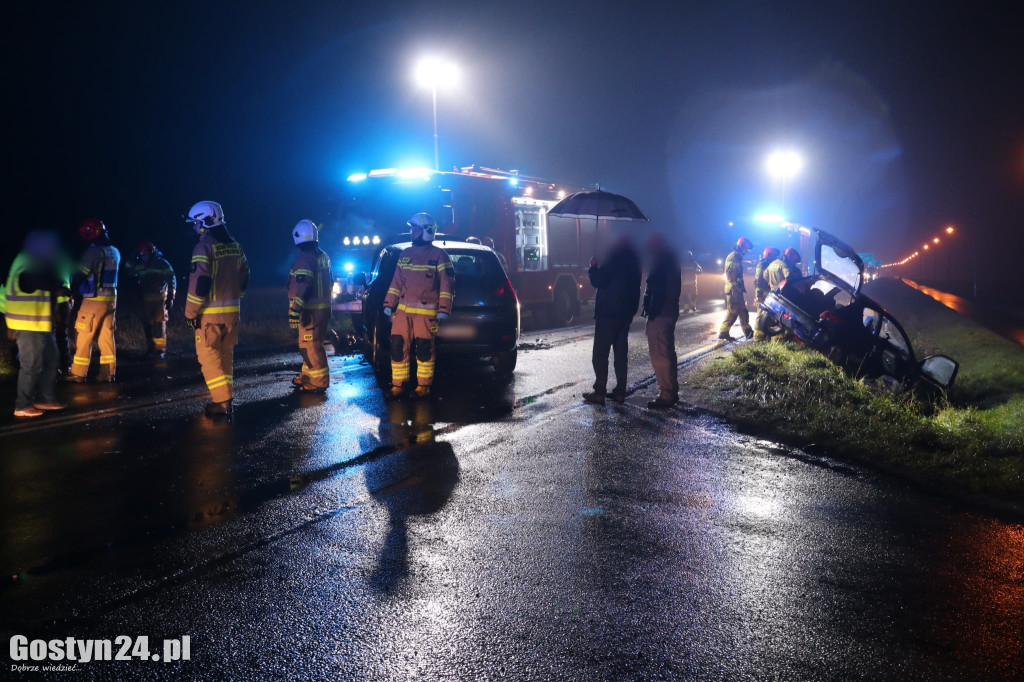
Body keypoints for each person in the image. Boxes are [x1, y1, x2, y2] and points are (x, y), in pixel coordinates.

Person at [184, 201, 249, 417]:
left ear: (204, 222)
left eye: (195, 223)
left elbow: (199, 284)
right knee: (225, 357)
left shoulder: (203, 247)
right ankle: (226, 398)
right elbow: (245, 275)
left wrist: (191, 313)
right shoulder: (236, 246)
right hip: (231, 315)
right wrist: (236, 299)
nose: (194, 228)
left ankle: (221, 402)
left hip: (209, 317)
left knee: (209, 359)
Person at [382, 213, 455, 398]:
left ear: (427, 232)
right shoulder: (405, 254)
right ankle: (399, 385)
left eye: (416, 229)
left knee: (424, 349)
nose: (412, 232)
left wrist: (444, 309)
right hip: (403, 312)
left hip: (426, 313)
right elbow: (396, 282)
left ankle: (423, 386)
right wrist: (389, 303)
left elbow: (447, 285)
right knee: (397, 346)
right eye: (412, 229)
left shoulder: (439, 255)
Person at [4, 230, 69, 417]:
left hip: (39, 324)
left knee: (51, 359)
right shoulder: (28, 262)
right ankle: (22, 406)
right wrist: (57, 287)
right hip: (27, 324)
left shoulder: (35, 262)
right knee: (31, 366)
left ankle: (45, 399)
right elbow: (34, 280)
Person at [582, 233, 642, 405]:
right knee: (621, 355)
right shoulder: (635, 263)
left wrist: (593, 267)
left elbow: (599, 281)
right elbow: (636, 289)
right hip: (624, 316)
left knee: (600, 355)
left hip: (607, 314)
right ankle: (620, 392)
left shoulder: (613, 260)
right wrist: (631, 312)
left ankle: (599, 392)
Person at [68, 219, 121, 382]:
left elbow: (81, 274)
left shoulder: (93, 252)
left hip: (93, 300)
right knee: (107, 336)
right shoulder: (115, 251)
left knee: (84, 336)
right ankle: (108, 373)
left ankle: (78, 373)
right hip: (111, 300)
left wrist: (72, 287)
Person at [287, 219, 334, 392]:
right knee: (313, 344)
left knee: (310, 346)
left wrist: (295, 311)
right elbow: (330, 282)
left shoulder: (305, 260)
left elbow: (303, 287)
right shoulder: (323, 256)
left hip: (310, 312)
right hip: (323, 310)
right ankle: (307, 377)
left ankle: (319, 382)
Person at [641, 234, 681, 409]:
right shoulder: (670, 261)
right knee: (667, 353)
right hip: (667, 313)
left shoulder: (661, 263)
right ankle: (671, 391)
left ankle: (667, 394)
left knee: (660, 355)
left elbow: (658, 291)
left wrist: (652, 313)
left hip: (661, 315)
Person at [126, 241, 176, 358]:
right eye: (141, 255)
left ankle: (160, 351)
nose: (143, 257)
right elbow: (129, 271)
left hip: (160, 300)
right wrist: (132, 259)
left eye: (145, 255)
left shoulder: (162, 263)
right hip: (146, 300)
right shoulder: (141, 265)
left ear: (152, 252)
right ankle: (150, 349)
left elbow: (172, 280)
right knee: (147, 326)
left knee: (159, 326)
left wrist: (171, 297)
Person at [717, 236, 753, 341]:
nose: (746, 251)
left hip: (737, 290)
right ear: (741, 247)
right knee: (732, 312)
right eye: (746, 249)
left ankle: (748, 332)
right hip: (734, 290)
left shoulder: (737, 256)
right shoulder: (733, 257)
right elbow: (731, 274)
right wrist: (734, 289)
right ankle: (723, 333)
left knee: (742, 311)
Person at [752, 246, 780, 341]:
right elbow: (758, 280)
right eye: (774, 255)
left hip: (769, 295)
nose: (775, 257)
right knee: (760, 314)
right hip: (762, 294)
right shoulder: (762, 265)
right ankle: (758, 338)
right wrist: (759, 295)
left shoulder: (770, 265)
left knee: (768, 316)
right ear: (769, 255)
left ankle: (765, 336)